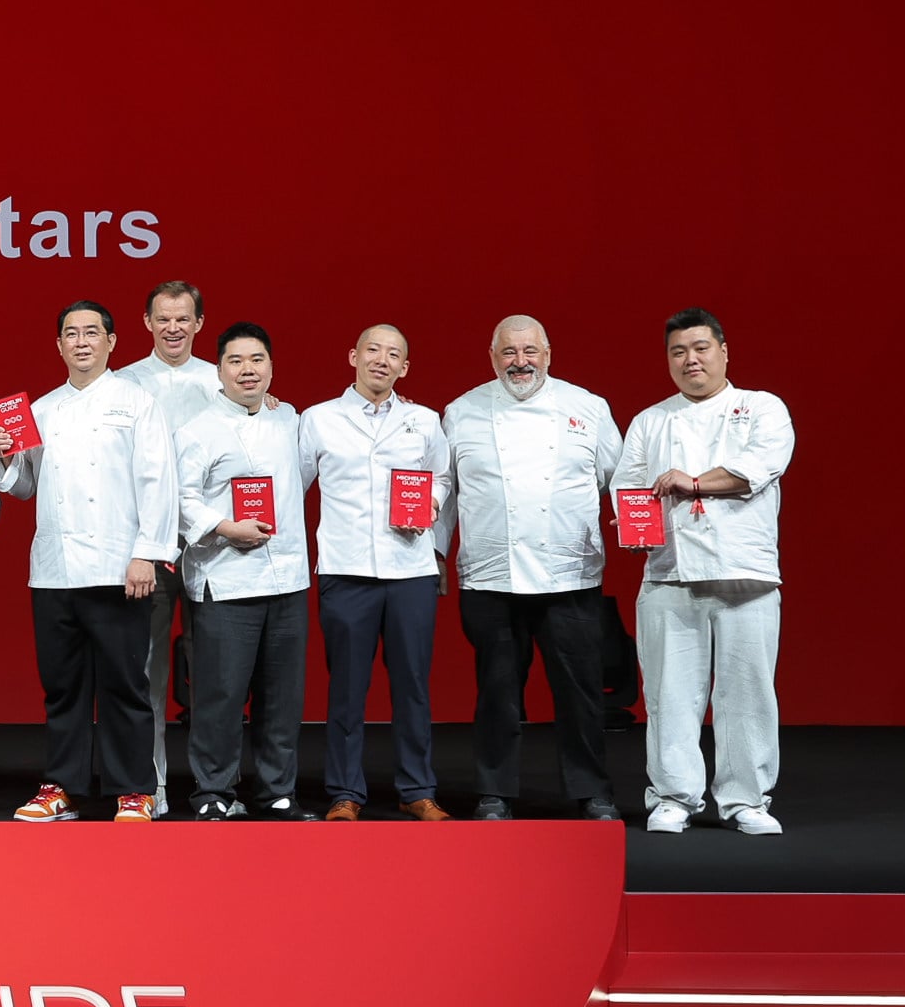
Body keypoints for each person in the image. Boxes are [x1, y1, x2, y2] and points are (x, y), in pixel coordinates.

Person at [0, 300, 180, 824]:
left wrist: (147, 554)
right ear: (58, 345)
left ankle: (134, 789)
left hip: (121, 568)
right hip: (54, 570)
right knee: (63, 686)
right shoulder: (43, 410)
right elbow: (26, 486)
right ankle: (62, 788)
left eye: (91, 333)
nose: (80, 342)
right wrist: (7, 454)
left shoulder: (136, 402)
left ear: (112, 342)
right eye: (70, 333)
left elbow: (158, 483)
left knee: (125, 684)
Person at [615, 308, 795, 836]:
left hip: (747, 572)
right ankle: (673, 796)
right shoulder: (651, 420)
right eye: (677, 352)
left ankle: (746, 800)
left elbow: (755, 470)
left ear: (723, 352)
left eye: (700, 348)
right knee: (670, 692)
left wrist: (689, 481)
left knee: (748, 692)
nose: (689, 360)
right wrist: (633, 525)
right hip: (669, 573)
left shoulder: (760, 408)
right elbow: (629, 485)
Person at [443, 316, 622, 822]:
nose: (520, 362)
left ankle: (593, 792)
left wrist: (638, 531)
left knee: (581, 691)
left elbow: (622, 477)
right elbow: (443, 491)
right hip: (490, 575)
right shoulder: (462, 412)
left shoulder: (587, 407)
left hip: (571, 574)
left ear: (548, 353)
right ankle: (494, 792)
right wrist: (434, 555)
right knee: (497, 692)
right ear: (492, 356)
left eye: (530, 351)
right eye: (509, 352)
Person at [302, 323, 452, 821]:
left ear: (404, 367)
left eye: (394, 355)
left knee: (412, 684)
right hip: (345, 571)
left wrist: (428, 503)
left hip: (409, 569)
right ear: (353, 356)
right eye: (372, 350)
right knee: (346, 686)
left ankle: (418, 790)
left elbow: (442, 479)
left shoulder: (424, 420)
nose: (381, 360)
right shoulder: (319, 419)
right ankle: (345, 792)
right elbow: (291, 484)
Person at [172, 322, 312, 819]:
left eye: (257, 360)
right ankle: (213, 792)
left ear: (271, 367)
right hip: (225, 578)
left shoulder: (290, 420)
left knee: (282, 696)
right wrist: (226, 527)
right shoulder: (196, 431)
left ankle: (277, 791)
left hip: (289, 578)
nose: (247, 370)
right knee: (220, 695)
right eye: (235, 361)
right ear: (219, 370)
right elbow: (181, 499)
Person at [115, 279, 214, 814]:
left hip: (212, 546)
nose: (173, 328)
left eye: (184, 319)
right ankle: (149, 789)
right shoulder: (124, 384)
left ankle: (212, 790)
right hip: (147, 548)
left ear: (198, 324)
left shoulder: (223, 382)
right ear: (147, 323)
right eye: (163, 319)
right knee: (145, 672)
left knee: (213, 675)